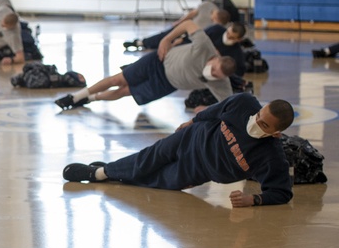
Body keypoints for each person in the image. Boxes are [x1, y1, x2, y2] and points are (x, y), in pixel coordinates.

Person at [62, 94, 295, 208]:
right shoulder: (244, 103)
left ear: (276, 134)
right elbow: (214, 110)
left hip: (197, 170)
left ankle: (115, 171)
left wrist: (253, 199)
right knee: (149, 158)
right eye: (259, 116)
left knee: (158, 181)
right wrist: (192, 122)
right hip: (191, 138)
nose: (256, 122)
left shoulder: (271, 157)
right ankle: (99, 174)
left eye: (264, 125)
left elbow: (282, 192)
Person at [55, 18, 235, 110]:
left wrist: (208, 109)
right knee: (118, 80)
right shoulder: (205, 46)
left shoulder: (220, 83)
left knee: (124, 92)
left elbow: (228, 106)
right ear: (215, 58)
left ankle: (90, 99)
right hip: (159, 61)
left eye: (217, 75)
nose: (213, 74)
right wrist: (166, 39)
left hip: (166, 84)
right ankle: (76, 97)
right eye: (214, 69)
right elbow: (188, 24)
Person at [124, 2, 230, 51]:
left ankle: (147, 45)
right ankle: (141, 42)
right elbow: (192, 14)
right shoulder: (207, 5)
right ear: (216, 14)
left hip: (189, 37)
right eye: (214, 19)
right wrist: (179, 22)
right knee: (164, 36)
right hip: (183, 27)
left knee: (169, 45)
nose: (213, 21)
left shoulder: (214, 26)